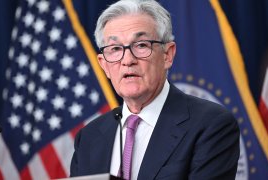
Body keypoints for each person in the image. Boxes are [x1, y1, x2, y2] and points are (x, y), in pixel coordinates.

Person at [70, 0, 240, 179]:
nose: (127, 60)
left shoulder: (210, 125)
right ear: (104, 65)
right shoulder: (88, 138)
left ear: (167, 55)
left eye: (141, 45)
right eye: (115, 49)